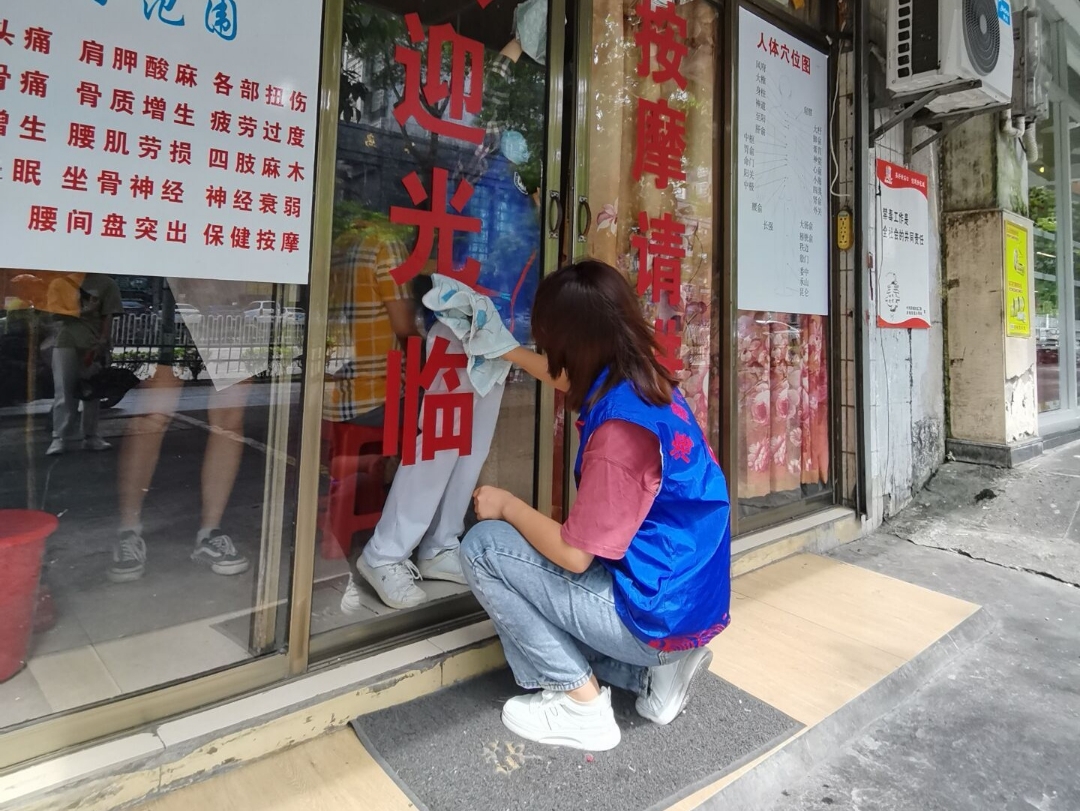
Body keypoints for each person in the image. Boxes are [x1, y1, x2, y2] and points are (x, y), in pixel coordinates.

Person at [460, 260, 732, 751]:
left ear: (572, 344)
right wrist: (508, 351)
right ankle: (657, 674)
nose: (546, 351)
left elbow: (574, 556)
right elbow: (570, 380)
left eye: (548, 341)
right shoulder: (643, 381)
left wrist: (507, 505)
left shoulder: (619, 436)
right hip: (688, 603)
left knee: (484, 548)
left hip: (654, 615)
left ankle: (580, 704)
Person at [45, 273, 122, 456]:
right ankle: (60, 437)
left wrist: (103, 342)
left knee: (93, 391)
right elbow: (54, 314)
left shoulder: (106, 283)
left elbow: (108, 316)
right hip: (64, 341)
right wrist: (84, 311)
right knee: (64, 390)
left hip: (93, 342)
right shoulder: (59, 283)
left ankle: (91, 436)